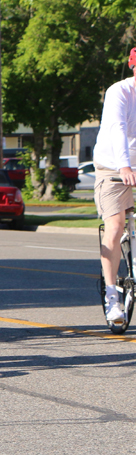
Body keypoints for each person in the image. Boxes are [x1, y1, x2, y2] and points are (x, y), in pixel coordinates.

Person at [94, 48, 136, 323]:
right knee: (116, 225)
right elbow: (117, 127)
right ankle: (112, 297)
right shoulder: (119, 92)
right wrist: (124, 165)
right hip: (113, 167)